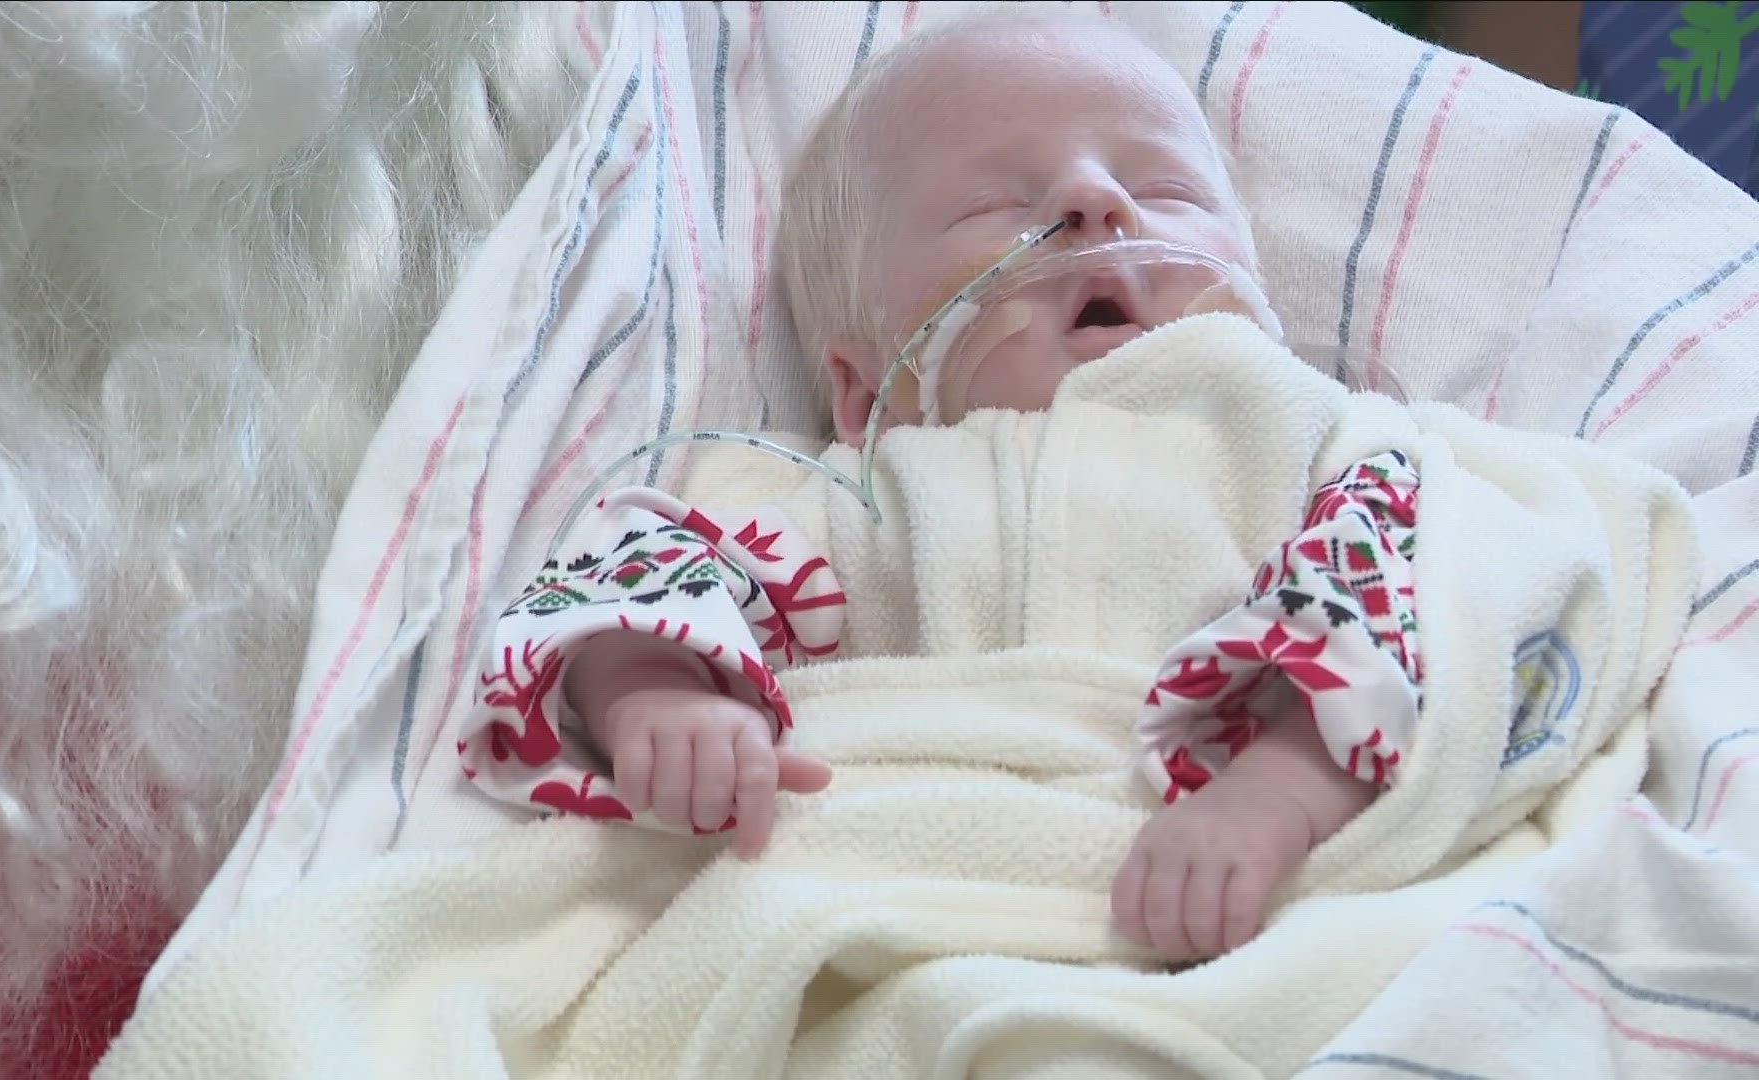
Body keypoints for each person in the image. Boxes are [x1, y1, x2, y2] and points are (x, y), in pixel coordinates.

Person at [458, 7, 1419, 964]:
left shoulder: (1311, 433)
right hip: (914, 893)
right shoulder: (854, 498)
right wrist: (659, 695)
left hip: (1247, 884)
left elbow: (1419, 602)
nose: (1095, 200)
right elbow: (645, 574)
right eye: (993, 206)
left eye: (1164, 188)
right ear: (866, 387)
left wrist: (1281, 791)